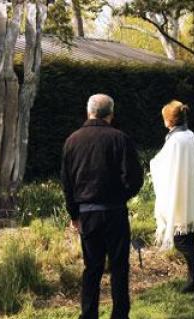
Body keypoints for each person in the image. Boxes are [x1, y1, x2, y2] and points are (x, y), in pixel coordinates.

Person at [61, 94, 144, 319]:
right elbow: (135, 178)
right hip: (114, 211)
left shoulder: (72, 140)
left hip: (87, 213)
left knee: (92, 268)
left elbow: (67, 182)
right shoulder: (120, 138)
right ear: (111, 113)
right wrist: (122, 196)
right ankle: (119, 315)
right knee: (119, 267)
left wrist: (73, 213)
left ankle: (88, 315)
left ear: (88, 111)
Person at [150, 100, 194, 303]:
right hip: (187, 193)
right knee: (189, 239)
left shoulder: (176, 140)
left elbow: (165, 165)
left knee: (183, 241)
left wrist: (152, 162)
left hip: (179, 197)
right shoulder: (189, 134)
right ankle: (193, 279)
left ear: (169, 120)